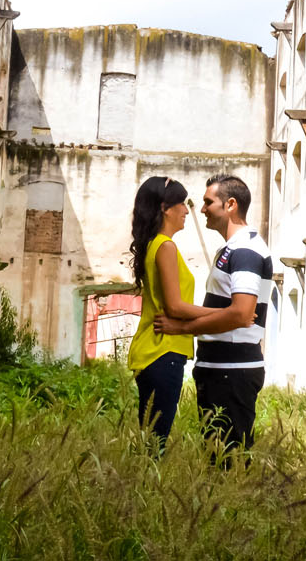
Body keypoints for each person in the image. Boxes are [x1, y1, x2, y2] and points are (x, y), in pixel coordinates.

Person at [154, 173, 271, 455]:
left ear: (230, 205)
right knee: (216, 459)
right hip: (219, 370)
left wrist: (181, 328)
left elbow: (241, 313)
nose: (202, 209)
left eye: (208, 202)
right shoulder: (230, 249)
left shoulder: (245, 250)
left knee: (230, 461)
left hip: (233, 372)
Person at [125, 176, 207, 451]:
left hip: (155, 352)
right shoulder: (165, 247)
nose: (186, 210)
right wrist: (226, 313)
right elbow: (175, 307)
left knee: (150, 443)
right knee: (155, 446)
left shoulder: (155, 244)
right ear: (164, 208)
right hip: (163, 351)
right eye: (181, 203)